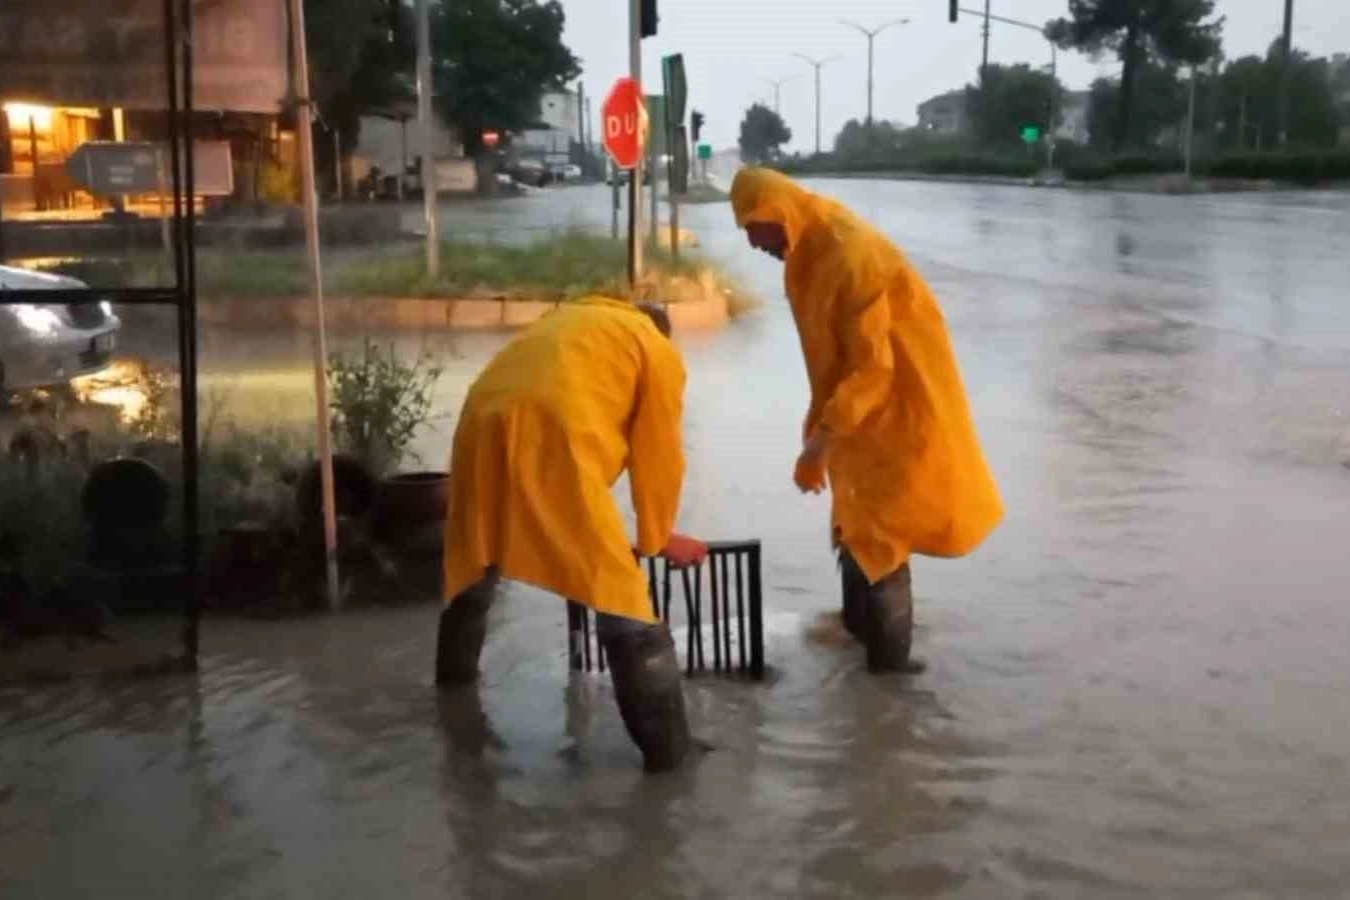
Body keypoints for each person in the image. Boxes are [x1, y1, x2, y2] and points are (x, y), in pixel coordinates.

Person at [729, 167, 1004, 673]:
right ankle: (858, 649)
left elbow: (874, 368)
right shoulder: (807, 251)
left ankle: (891, 688)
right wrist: (824, 425)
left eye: (752, 229)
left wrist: (823, 440)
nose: (751, 244)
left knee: (882, 537)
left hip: (894, 411)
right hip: (857, 416)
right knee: (855, 525)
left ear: (775, 213)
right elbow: (832, 356)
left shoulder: (851, 254)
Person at [437, 297, 708, 772]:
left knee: (475, 563)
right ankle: (672, 759)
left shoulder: (573, 322)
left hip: (481, 418)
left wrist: (590, 530)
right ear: (662, 331)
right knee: (621, 595)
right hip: (552, 427)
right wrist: (659, 537)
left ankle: (453, 706)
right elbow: (659, 455)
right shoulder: (655, 349)